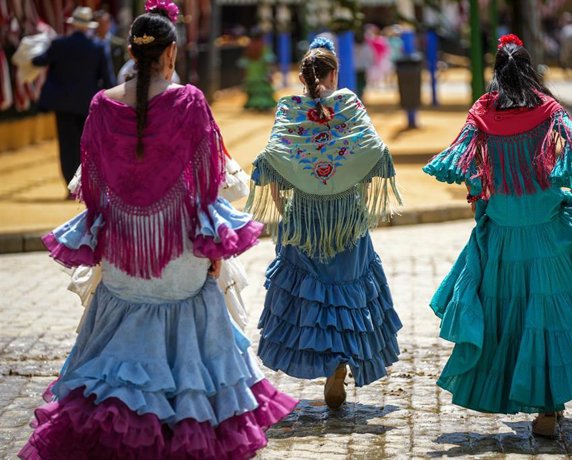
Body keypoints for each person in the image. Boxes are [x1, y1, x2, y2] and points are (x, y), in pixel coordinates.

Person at [19, 2, 297, 458]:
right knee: (195, 345)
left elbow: (92, 185)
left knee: (116, 349)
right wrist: (215, 252)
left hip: (125, 253)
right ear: (171, 53)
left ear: (132, 51)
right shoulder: (189, 101)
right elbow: (208, 184)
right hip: (180, 252)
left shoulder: (101, 104)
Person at [423, 34, 572, 438]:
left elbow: (461, 159)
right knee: (556, 311)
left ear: (496, 73)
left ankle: (533, 400)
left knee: (510, 315)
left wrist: (479, 192)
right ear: (529, 69)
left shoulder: (482, 112)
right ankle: (550, 407)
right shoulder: (548, 109)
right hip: (549, 221)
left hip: (503, 224)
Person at [246, 37, 403, 410]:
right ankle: (340, 365)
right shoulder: (348, 103)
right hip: (346, 215)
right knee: (348, 289)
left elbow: (272, 156)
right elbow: (375, 150)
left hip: (304, 217)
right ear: (334, 73)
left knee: (312, 291)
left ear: (303, 77)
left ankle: (328, 362)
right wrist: (352, 181)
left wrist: (284, 200)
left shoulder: (289, 107)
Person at [32, 6, 116, 194]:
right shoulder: (98, 46)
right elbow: (108, 79)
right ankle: (85, 184)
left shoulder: (59, 44)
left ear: (73, 24)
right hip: (87, 105)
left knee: (66, 145)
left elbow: (38, 61)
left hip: (63, 104)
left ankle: (70, 186)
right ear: (89, 26)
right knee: (87, 145)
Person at [239, 28, 276, 111]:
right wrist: (270, 72)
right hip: (262, 71)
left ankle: (254, 105)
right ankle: (262, 105)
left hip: (251, 72)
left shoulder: (248, 46)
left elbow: (243, 62)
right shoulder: (264, 46)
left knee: (253, 90)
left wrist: (244, 74)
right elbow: (268, 60)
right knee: (262, 89)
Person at [94, 9, 128, 76]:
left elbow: (123, 64)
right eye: (100, 23)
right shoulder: (91, 43)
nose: (103, 26)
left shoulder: (118, 44)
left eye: (106, 22)